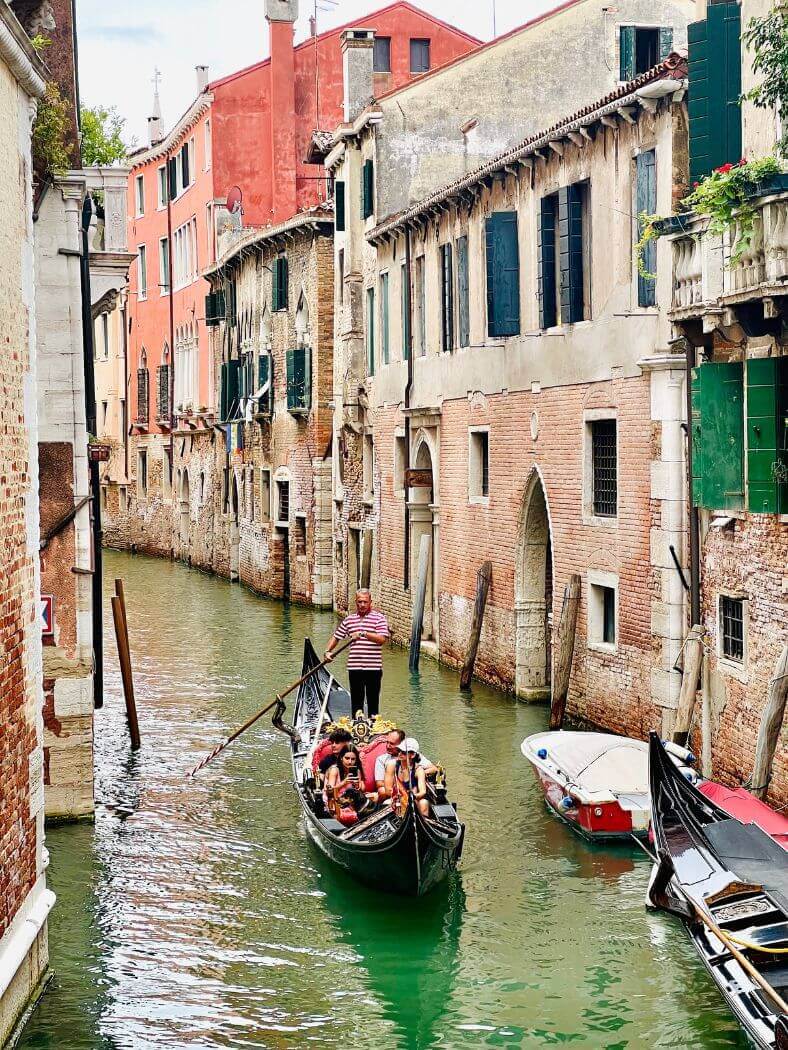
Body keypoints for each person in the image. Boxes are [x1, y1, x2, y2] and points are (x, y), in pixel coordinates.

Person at [324, 589, 390, 718]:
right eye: (360, 602)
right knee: (356, 702)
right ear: (356, 602)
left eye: (365, 602)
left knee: (373, 702)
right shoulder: (349, 620)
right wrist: (327, 651)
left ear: (370, 602)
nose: (362, 605)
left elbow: (382, 639)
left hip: (374, 668)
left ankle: (373, 727)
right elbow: (336, 637)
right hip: (354, 668)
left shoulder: (379, 618)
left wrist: (363, 633)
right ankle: (356, 727)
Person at [384, 737, 429, 817]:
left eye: (404, 752)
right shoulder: (392, 765)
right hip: (396, 798)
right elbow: (388, 790)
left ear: (413, 755)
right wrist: (401, 797)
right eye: (399, 751)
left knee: (424, 803)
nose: (400, 754)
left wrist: (413, 796)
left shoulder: (418, 770)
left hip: (413, 800)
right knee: (387, 803)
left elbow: (423, 792)